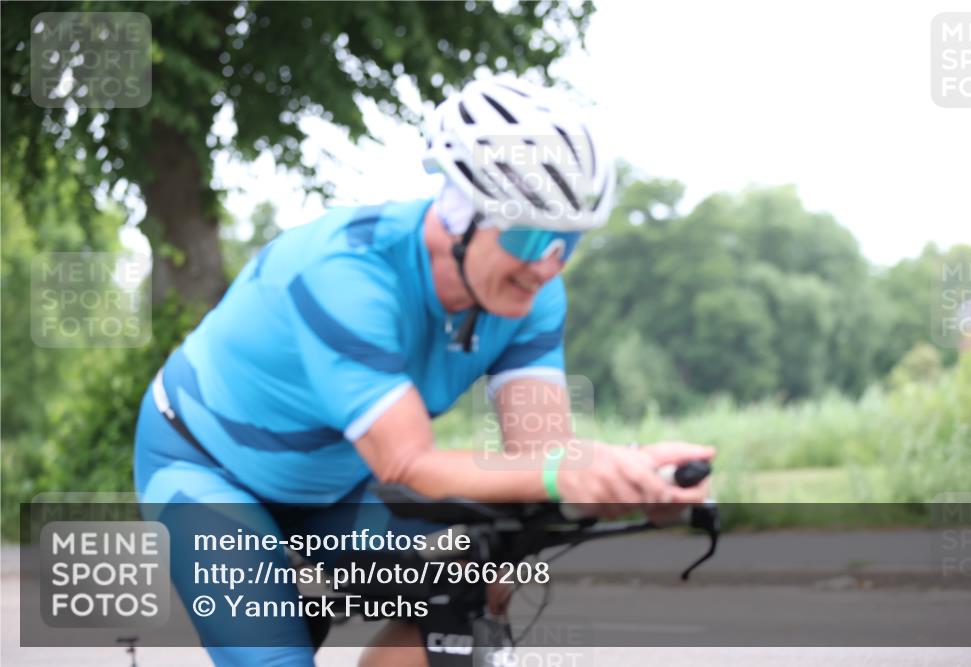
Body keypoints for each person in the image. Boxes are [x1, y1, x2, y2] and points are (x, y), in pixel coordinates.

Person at [133, 74, 714, 667]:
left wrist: (630, 477)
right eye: (531, 235)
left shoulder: (533, 296)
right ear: (460, 212)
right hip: (208, 469)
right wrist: (567, 472)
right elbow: (407, 465)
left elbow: (541, 460)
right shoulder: (347, 274)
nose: (547, 265)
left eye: (568, 242)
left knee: (479, 576)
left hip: (337, 484)